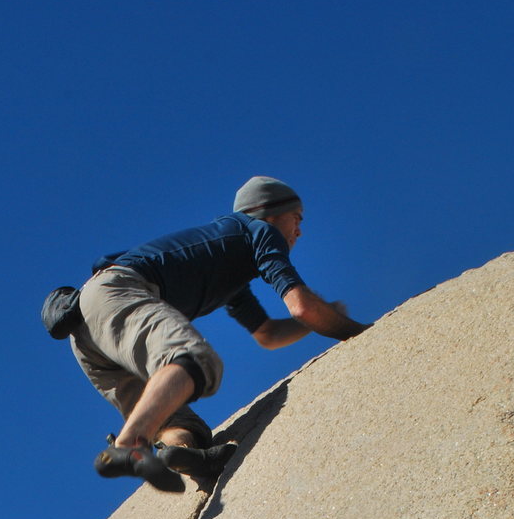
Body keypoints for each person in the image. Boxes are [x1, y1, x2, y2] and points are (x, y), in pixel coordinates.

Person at [55, 175, 370, 491]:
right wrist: (359, 330)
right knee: (194, 360)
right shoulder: (258, 230)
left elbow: (268, 334)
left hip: (85, 333)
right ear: (269, 211)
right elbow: (302, 307)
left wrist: (319, 316)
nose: (300, 230)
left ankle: (184, 454)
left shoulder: (230, 264)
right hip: (115, 291)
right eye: (296, 218)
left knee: (173, 417)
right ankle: (128, 447)